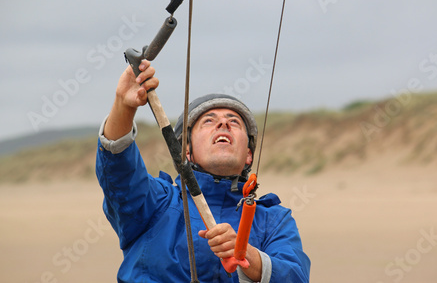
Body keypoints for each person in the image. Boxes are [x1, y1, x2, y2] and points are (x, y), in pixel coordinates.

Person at [95, 60, 311, 282]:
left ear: (249, 154)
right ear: (186, 151)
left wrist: (247, 255)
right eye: (209, 121)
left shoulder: (274, 220)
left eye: (234, 122)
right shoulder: (157, 201)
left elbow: (295, 276)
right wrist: (124, 105)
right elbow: (120, 175)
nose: (223, 124)